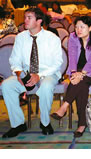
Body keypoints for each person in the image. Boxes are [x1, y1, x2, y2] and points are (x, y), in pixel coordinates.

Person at [1, 7, 63, 138]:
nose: (25, 20)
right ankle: (18, 124)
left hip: (47, 73)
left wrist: (39, 76)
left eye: (29, 18)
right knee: (6, 85)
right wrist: (18, 73)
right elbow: (15, 59)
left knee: (46, 86)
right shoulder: (20, 37)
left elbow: (57, 63)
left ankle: (45, 123)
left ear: (39, 20)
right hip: (26, 74)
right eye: (25, 17)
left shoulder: (52, 38)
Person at [51, 16, 91, 138]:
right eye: (76, 27)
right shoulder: (72, 38)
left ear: (90, 28)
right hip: (78, 73)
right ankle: (82, 124)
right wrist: (73, 72)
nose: (78, 30)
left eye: (82, 27)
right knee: (81, 85)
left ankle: (64, 106)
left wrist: (80, 74)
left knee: (79, 81)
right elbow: (72, 57)